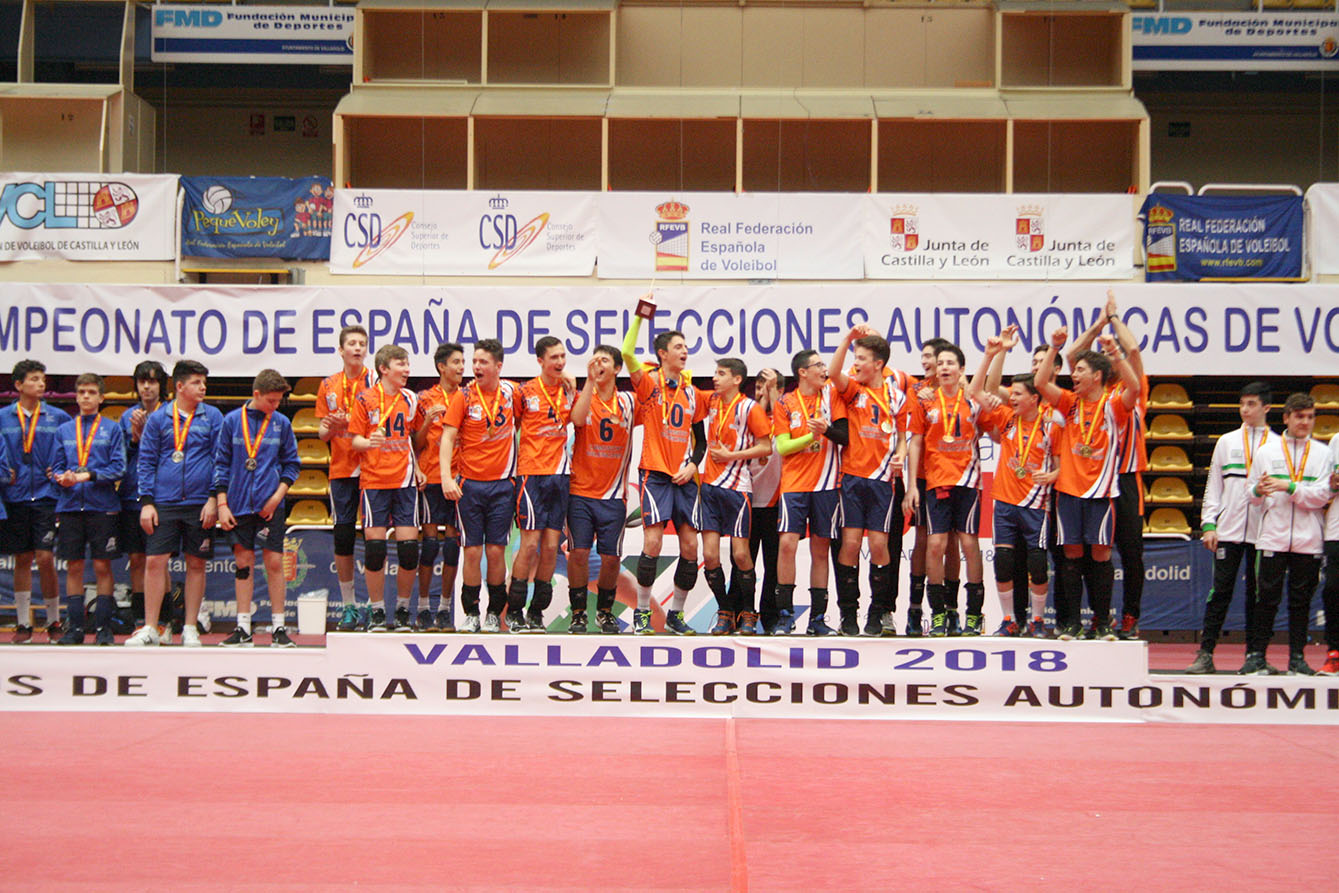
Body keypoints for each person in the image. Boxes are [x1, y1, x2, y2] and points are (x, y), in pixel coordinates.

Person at [1034, 326, 1140, 641]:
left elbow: (1135, 386)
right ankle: (1072, 623)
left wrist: (1115, 353)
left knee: (1101, 556)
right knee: (1071, 557)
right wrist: (1054, 348)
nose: (1074, 375)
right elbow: (1040, 383)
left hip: (1101, 493)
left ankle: (1102, 622)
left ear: (1097, 376)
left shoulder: (1113, 405)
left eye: (1080, 370)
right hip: (1068, 492)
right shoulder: (1069, 402)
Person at [621, 308, 710, 636]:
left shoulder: (692, 393)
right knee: (654, 542)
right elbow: (626, 353)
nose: (684, 351)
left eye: (686, 347)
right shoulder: (649, 384)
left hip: (684, 477)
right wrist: (639, 317)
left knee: (690, 548)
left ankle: (676, 614)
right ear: (662, 354)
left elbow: (701, 441)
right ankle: (642, 612)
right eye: (678, 347)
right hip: (655, 474)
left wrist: (693, 465)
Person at [1066, 292, 1148, 640]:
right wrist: (1096, 325)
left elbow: (1134, 351)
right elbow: (1074, 356)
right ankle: (1096, 617)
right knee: (1090, 552)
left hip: (1125, 480)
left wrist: (1114, 320)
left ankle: (1129, 616)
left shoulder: (1132, 392)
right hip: (1093, 480)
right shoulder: (1087, 397)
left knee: (1130, 553)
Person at [968, 335, 1061, 638]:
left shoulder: (1050, 424)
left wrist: (1054, 475)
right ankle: (1009, 619)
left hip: (1036, 505)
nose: (1013, 399)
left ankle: (1037, 620)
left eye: (1018, 394)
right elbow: (976, 391)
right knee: (1004, 563)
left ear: (1034, 398)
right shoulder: (1007, 418)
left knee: (1037, 564)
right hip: (1005, 503)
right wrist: (995, 354)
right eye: (1013, 394)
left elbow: (1063, 464)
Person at [904, 342, 999, 636]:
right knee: (935, 545)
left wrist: (992, 400)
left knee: (969, 545)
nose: (944, 367)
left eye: (950, 363)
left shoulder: (972, 401)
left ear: (961, 370)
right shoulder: (924, 401)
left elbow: (994, 429)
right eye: (941, 363)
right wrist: (912, 485)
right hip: (935, 483)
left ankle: (974, 614)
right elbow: (915, 441)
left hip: (967, 483)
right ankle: (938, 614)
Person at [127, 359, 223, 647]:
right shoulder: (158, 419)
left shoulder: (213, 417)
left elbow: (220, 460)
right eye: (196, 382)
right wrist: (147, 502)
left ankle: (190, 627)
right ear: (180, 386)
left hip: (199, 502)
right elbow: (146, 461)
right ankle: (151, 627)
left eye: (204, 382)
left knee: (196, 563)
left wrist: (213, 498)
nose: (203, 387)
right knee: (155, 561)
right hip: (164, 501)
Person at [1241, 393, 1337, 676]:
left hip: (1309, 539)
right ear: (1286, 418)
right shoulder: (1266, 451)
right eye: (1299, 417)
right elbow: (1250, 494)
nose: (1305, 422)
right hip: (1273, 536)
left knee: (1300, 602)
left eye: (1310, 417)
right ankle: (1257, 655)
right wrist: (1258, 490)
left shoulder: (1323, 453)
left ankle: (1297, 658)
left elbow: (1322, 496)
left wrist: (1290, 487)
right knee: (1266, 599)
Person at [1185, 382, 1276, 674]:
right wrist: (1209, 524)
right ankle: (1205, 653)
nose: (1244, 410)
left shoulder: (1278, 446)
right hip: (1228, 531)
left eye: (1251, 404)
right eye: (1242, 404)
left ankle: (1255, 655)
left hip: (1264, 533)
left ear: (1266, 408)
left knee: (1257, 595)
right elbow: (1213, 485)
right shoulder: (1226, 441)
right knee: (1220, 592)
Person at [828, 325, 908, 637]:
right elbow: (834, 373)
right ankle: (848, 613)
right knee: (849, 544)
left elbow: (903, 437)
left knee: (878, 544)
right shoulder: (854, 390)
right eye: (855, 357)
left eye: (861, 358)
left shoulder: (896, 396)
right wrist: (847, 340)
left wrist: (900, 455)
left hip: (882, 480)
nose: (856, 363)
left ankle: (878, 612)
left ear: (878, 364)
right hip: (851, 478)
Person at [214, 370, 301, 647]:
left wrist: (277, 498)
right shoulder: (231, 422)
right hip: (237, 505)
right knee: (243, 563)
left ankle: (279, 628)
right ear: (256, 394)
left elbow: (292, 464)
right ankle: (243, 628)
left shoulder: (281, 423)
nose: (275, 406)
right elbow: (220, 464)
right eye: (271, 400)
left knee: (274, 563)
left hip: (270, 505)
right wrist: (222, 504)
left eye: (278, 401)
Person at [441, 338, 518, 633]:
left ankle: (494, 612)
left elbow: (542, 391)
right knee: (472, 552)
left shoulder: (512, 393)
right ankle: (471, 612)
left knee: (496, 552)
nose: (475, 367)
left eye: (483, 362)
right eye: (474, 361)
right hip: (469, 486)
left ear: (498, 366)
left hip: (502, 487)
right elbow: (448, 437)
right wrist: (447, 478)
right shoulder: (464, 396)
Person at [349, 344, 425, 632]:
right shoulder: (365, 399)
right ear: (384, 368)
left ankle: (403, 609)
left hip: (404, 481)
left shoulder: (411, 398)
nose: (407, 369)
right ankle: (378, 610)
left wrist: (418, 467)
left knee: (409, 551)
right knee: (375, 551)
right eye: (400, 364)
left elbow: (413, 438)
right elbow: (354, 440)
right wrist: (369, 442)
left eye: (407, 364)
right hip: (374, 482)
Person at [773, 349, 847, 635]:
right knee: (787, 545)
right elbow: (782, 447)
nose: (824, 369)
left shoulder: (831, 396)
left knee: (820, 549)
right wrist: (811, 436)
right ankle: (785, 615)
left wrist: (826, 430)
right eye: (818, 365)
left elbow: (844, 436)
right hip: (794, 485)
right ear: (802, 372)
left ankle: (817, 618)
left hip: (826, 484)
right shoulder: (785, 402)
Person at [699, 358, 773, 635]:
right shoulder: (712, 401)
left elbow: (766, 447)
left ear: (737, 379)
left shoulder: (749, 407)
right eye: (715, 373)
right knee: (709, 556)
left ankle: (749, 612)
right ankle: (725, 610)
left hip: (738, 487)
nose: (715, 378)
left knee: (741, 555)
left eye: (721, 374)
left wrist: (732, 456)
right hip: (709, 487)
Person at [508, 336, 576, 633]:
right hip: (531, 476)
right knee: (529, 545)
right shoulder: (524, 392)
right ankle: (514, 611)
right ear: (540, 361)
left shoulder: (569, 390)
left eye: (562, 356)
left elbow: (577, 419)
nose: (560, 362)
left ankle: (536, 612)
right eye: (554, 357)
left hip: (560, 476)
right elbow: (510, 426)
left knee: (550, 547)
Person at [568, 345, 638, 634]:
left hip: (613, 495)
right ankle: (578, 613)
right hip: (580, 493)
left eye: (604, 360)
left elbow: (653, 400)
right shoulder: (584, 396)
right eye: (594, 360)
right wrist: (588, 381)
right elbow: (576, 419)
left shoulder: (629, 402)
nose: (598, 365)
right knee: (579, 553)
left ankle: (605, 612)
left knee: (611, 558)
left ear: (617, 368)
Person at [0, 359, 71, 643]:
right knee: (22, 558)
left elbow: (71, 450)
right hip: (15, 495)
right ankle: (23, 624)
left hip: (46, 495)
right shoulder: (3, 417)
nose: (41, 384)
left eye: (43, 379)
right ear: (18, 385)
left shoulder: (58, 417)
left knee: (45, 557)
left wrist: (61, 471)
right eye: (34, 379)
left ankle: (53, 620)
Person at [52, 374, 126, 645]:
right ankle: (75, 629)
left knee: (102, 566)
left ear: (101, 397)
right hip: (70, 506)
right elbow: (56, 467)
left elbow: (119, 468)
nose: (85, 396)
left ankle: (103, 628)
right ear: (75, 396)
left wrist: (87, 476)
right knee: (73, 566)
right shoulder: (63, 430)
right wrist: (62, 477)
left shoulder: (112, 429)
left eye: (91, 392)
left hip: (102, 507)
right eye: (81, 391)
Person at [315, 324, 373, 631]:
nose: (357, 348)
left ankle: (375, 605)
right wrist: (332, 425)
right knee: (344, 537)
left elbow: (380, 422)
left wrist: (348, 421)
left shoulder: (376, 381)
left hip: (374, 470)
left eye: (362, 343)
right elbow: (322, 434)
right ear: (341, 350)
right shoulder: (328, 385)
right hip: (341, 470)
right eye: (352, 343)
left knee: (375, 538)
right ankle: (349, 605)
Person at [906, 338, 959, 636]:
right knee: (924, 539)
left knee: (952, 542)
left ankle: (951, 610)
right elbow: (913, 435)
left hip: (955, 475)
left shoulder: (962, 390)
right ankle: (916, 609)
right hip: (925, 476)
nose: (925, 362)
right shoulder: (918, 391)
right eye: (924, 357)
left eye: (930, 357)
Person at [413, 342, 465, 632]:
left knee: (452, 547)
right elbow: (416, 443)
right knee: (430, 545)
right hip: (432, 477)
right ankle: (423, 609)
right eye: (456, 362)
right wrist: (426, 422)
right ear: (441, 367)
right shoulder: (425, 398)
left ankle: (445, 610)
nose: (461, 367)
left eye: (462, 362)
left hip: (459, 478)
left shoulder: (467, 397)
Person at [118, 361, 172, 637]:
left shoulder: (170, 414)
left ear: (161, 385)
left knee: (158, 560)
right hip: (132, 495)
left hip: (161, 496)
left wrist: (145, 437)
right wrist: (134, 440)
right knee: (137, 559)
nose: (147, 387)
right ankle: (141, 620)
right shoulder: (127, 416)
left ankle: (164, 621)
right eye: (142, 381)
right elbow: (119, 459)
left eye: (152, 381)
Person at [731, 368, 783, 633]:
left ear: (779, 392)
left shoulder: (785, 422)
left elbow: (781, 434)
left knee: (773, 565)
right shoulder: (747, 420)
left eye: (767, 389)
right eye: (758, 389)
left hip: (775, 504)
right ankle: (739, 614)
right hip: (747, 500)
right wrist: (760, 404)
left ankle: (771, 619)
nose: (760, 394)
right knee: (741, 561)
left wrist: (773, 397)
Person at [1319, 430, 1339, 676]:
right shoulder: (1337, 440)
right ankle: (1335, 654)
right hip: (1336, 531)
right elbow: (1325, 488)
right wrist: (1332, 486)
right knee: (1333, 590)